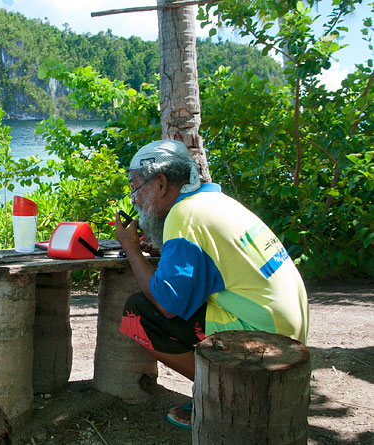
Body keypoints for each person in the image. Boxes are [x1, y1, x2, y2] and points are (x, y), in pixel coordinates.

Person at [114, 139, 309, 429]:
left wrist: (130, 248)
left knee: (140, 313)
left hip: (263, 335)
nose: (133, 199)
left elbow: (166, 304)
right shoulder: (214, 202)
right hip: (287, 325)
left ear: (161, 183)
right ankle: (229, 387)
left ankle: (229, 394)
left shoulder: (183, 214)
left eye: (135, 187)